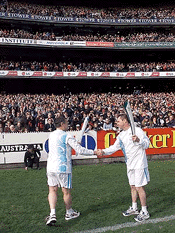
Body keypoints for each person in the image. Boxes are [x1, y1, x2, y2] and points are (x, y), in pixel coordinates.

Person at [97, 114, 150, 223]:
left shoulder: (137, 130)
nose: (117, 123)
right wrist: (103, 151)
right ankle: (134, 207)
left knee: (139, 187)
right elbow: (114, 148)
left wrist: (139, 140)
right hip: (129, 164)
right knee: (133, 186)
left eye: (118, 121)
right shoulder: (121, 135)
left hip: (139, 163)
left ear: (125, 121)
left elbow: (147, 144)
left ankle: (144, 211)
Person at [46, 115, 96, 226]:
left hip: (50, 168)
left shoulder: (52, 135)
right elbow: (80, 150)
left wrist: (73, 143)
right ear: (62, 124)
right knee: (66, 191)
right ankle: (69, 212)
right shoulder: (66, 136)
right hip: (63, 168)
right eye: (66, 122)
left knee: (52, 190)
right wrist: (94, 152)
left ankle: (52, 214)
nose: (68, 124)